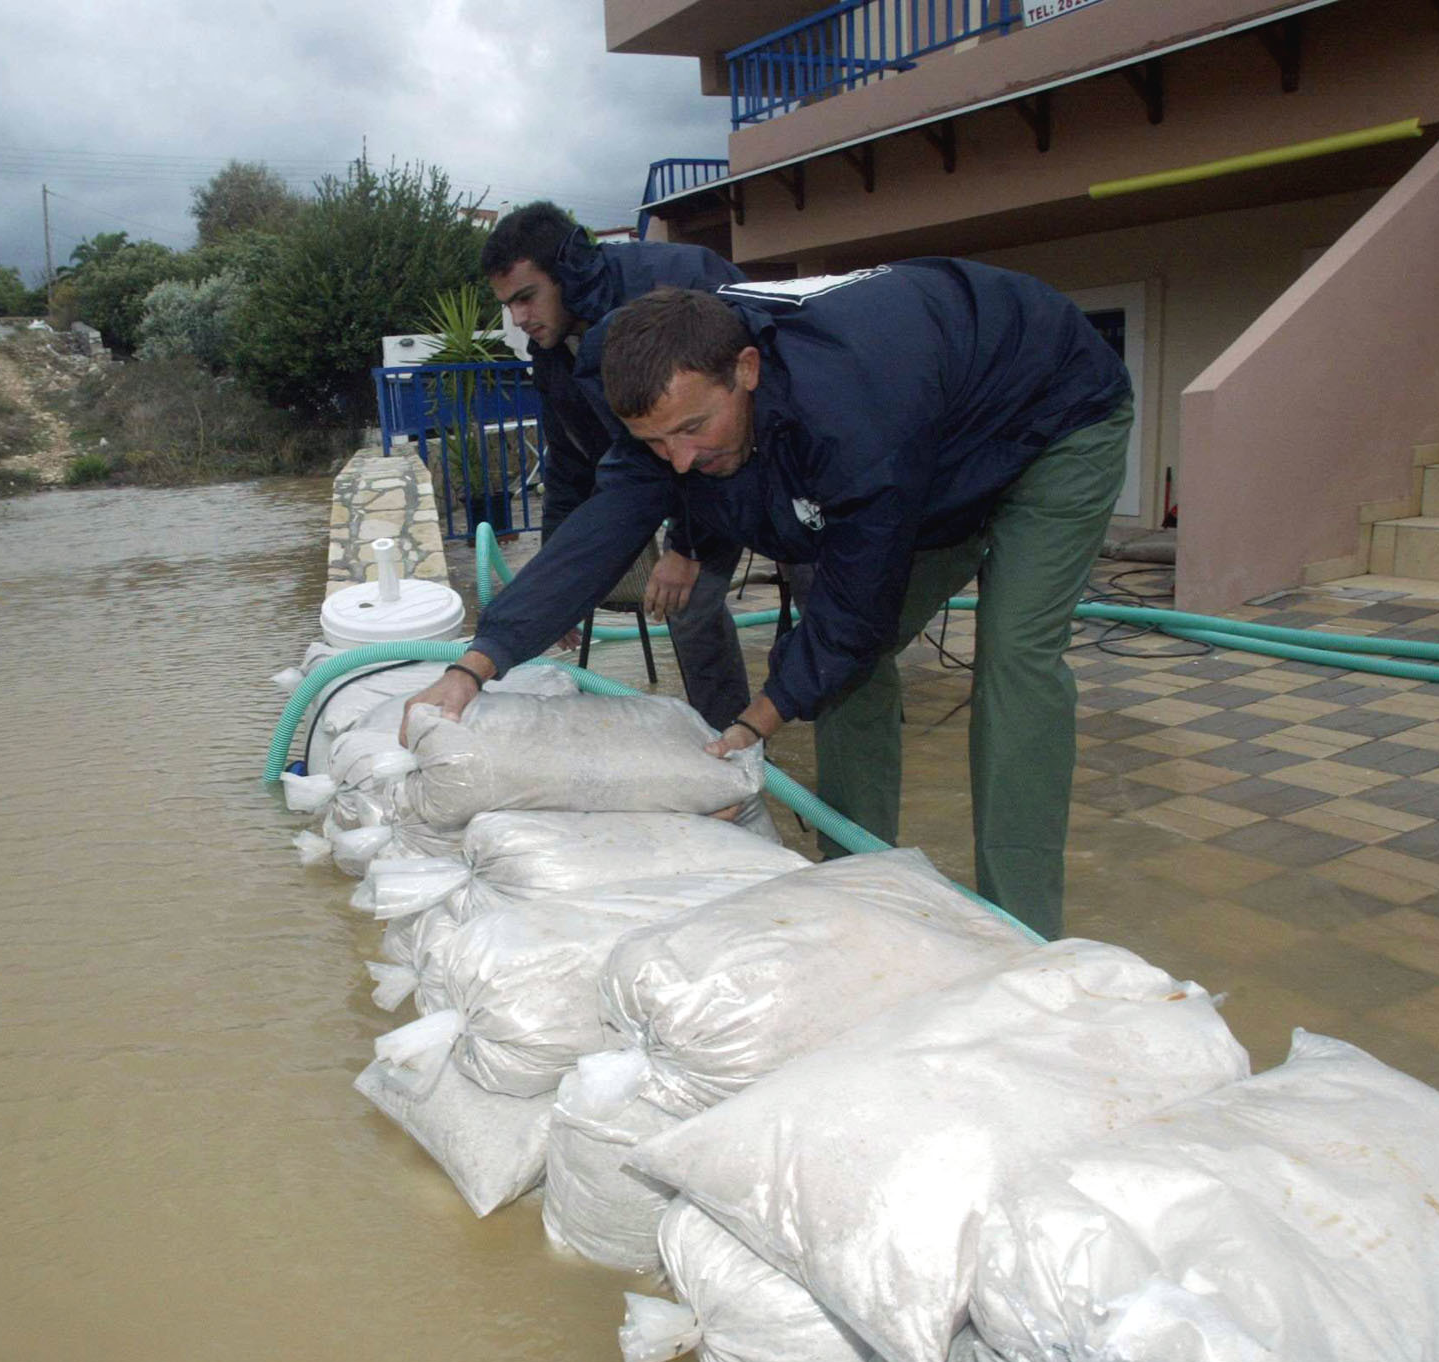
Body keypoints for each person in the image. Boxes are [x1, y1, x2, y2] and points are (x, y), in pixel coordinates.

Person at [404, 265, 1133, 939]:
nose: (680, 460)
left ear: (746, 370)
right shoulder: (670, 418)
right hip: (934, 446)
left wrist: (756, 722)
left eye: (693, 430)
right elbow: (595, 535)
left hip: (1051, 414)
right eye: (656, 442)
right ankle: (852, 862)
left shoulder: (848, 414)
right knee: (851, 665)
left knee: (1011, 655)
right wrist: (478, 661)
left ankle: (1021, 925)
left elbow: (851, 605)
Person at [480, 203, 754, 730]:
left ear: (567, 273)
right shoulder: (554, 350)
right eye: (507, 306)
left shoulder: (667, 289)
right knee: (690, 605)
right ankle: (728, 745)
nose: (518, 319)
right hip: (674, 471)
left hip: (757, 452)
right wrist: (555, 587)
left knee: (799, 595)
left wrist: (687, 548)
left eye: (526, 297)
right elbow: (571, 468)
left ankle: (762, 751)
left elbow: (715, 435)